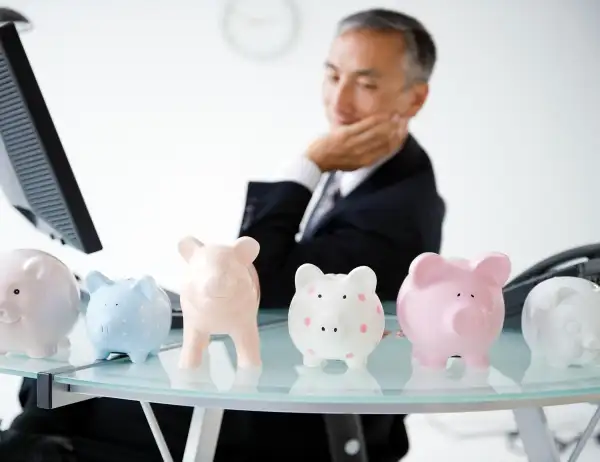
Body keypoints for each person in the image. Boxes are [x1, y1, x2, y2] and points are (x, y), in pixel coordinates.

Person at [0, 7, 444, 462]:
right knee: (56, 390)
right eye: (332, 76)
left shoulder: (400, 207)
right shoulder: (366, 174)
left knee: (75, 400)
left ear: (414, 99)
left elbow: (259, 279)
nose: (340, 101)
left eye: (366, 84)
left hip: (297, 422)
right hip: (273, 383)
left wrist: (307, 165)